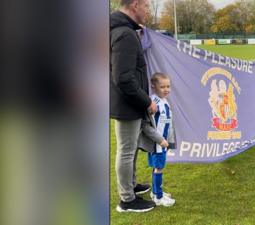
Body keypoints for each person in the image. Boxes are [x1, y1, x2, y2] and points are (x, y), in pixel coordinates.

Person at [110, 0, 158, 213]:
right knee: (127, 151)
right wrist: (146, 100)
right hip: (127, 103)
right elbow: (123, 78)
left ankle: (132, 185)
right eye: (147, 6)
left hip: (128, 102)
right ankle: (127, 200)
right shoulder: (125, 34)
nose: (148, 11)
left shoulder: (123, 30)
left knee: (131, 148)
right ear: (135, 5)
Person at [138, 73, 176, 207]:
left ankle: (155, 192)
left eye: (168, 86)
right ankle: (158, 197)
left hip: (163, 143)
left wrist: (169, 141)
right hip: (157, 144)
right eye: (162, 87)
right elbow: (146, 125)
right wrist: (160, 140)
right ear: (154, 87)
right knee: (159, 168)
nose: (166, 89)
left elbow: (167, 123)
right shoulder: (154, 103)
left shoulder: (165, 101)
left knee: (157, 167)